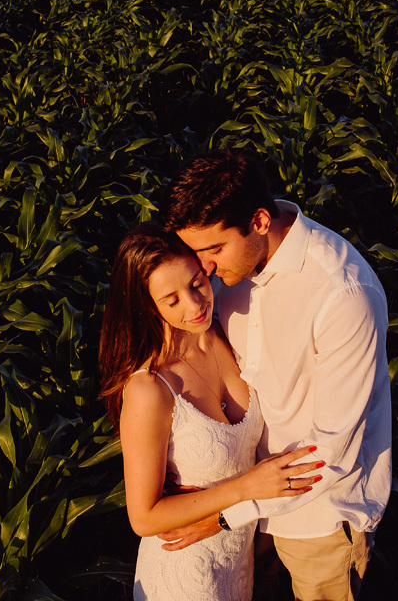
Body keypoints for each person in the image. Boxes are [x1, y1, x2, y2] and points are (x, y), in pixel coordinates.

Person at [159, 150, 392, 601]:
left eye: (213, 250)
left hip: (319, 520)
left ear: (260, 221)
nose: (203, 268)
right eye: (196, 251)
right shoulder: (226, 272)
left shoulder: (343, 294)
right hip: (241, 505)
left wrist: (226, 512)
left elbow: (333, 451)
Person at [98, 223, 327, 601]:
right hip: (184, 571)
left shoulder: (227, 334)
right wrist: (247, 487)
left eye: (196, 283)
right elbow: (143, 517)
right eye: (171, 301)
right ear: (147, 308)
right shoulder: (150, 389)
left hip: (237, 561)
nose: (194, 304)